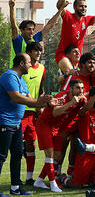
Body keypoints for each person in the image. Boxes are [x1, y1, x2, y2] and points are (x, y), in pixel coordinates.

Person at [0, 53, 57, 196]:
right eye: (29, 62)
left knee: (17, 155)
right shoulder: (9, 76)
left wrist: (45, 101)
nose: (31, 65)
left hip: (16, 123)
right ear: (21, 63)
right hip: (4, 122)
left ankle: (15, 188)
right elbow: (16, 97)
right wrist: (38, 102)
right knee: (1, 156)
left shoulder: (20, 79)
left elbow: (29, 98)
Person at [34, 79, 86, 192]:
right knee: (50, 153)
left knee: (57, 156)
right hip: (44, 124)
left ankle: (39, 181)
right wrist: (71, 102)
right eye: (78, 88)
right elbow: (55, 112)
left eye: (82, 88)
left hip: (56, 128)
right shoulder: (62, 96)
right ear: (70, 89)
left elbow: (82, 111)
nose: (80, 90)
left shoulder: (80, 99)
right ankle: (53, 184)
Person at [61, 87, 95, 188]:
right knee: (76, 186)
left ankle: (89, 179)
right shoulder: (84, 112)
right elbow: (85, 109)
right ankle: (63, 178)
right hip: (84, 154)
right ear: (92, 98)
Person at [8, 0, 67, 67]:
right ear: (22, 30)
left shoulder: (35, 39)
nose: (32, 31)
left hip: (29, 73)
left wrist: (61, 9)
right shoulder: (18, 40)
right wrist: (11, 8)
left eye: (33, 29)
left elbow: (49, 25)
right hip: (16, 74)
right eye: (29, 29)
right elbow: (14, 26)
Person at [22, 42, 46, 185]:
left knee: (31, 145)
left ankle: (29, 178)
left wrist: (40, 105)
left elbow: (41, 89)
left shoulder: (42, 68)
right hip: (20, 111)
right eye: (36, 51)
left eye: (40, 51)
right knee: (15, 146)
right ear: (29, 52)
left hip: (33, 113)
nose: (39, 53)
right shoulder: (23, 68)